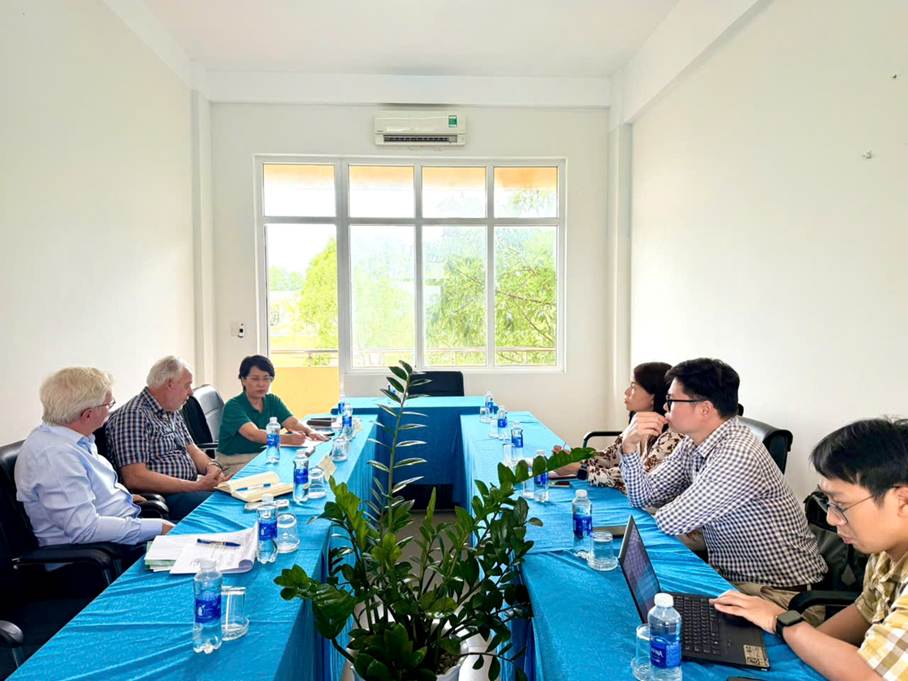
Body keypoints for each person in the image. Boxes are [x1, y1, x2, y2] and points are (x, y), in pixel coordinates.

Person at [620, 358, 826, 613]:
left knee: (652, 615)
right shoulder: (693, 442)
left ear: (704, 409)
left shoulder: (737, 453)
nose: (664, 406)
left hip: (780, 597)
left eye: (671, 400)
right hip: (734, 581)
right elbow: (643, 497)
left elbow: (670, 521)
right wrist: (628, 448)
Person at [712, 418, 908, 681]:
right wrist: (796, 653)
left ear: (903, 500)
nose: (831, 518)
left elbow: (873, 676)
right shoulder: (886, 552)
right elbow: (865, 610)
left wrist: (784, 622)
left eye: (841, 505)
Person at [15, 367, 173, 546]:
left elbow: (90, 488)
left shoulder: (73, 435)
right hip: (98, 551)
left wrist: (124, 498)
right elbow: (85, 529)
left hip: (120, 528)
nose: (110, 408)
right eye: (108, 404)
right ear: (88, 414)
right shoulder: (55, 457)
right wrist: (159, 527)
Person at [107, 356, 228, 521]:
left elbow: (193, 450)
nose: (191, 392)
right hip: (165, 497)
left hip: (189, 487)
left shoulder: (172, 410)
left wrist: (212, 468)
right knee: (226, 507)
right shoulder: (133, 415)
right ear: (170, 384)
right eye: (187, 385)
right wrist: (196, 486)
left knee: (240, 499)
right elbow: (135, 477)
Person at [553, 362, 683, 491]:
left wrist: (580, 470)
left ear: (653, 397)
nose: (626, 392)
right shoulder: (637, 422)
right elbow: (610, 457)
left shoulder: (672, 437)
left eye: (634, 387)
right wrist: (574, 458)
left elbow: (637, 479)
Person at [217, 355, 327, 465]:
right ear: (243, 380)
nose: (261, 384)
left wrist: (310, 432)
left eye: (266, 378)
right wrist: (288, 439)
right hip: (234, 460)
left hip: (263, 454)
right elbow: (253, 434)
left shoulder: (272, 400)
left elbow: (292, 423)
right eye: (255, 379)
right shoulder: (233, 406)